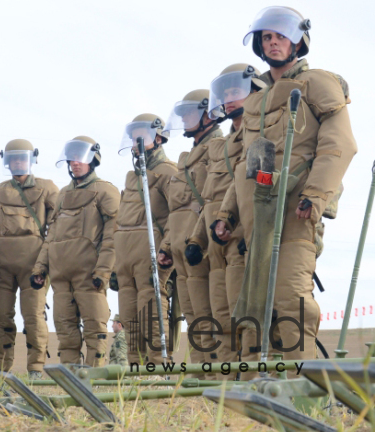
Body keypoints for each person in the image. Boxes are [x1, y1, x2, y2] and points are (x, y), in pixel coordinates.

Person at [214, 7, 356, 373]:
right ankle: (258, 391)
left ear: (297, 40)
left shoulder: (318, 82)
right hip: (255, 220)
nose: (272, 42)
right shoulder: (256, 101)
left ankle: (304, 391)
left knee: (291, 303)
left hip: (295, 213)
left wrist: (316, 195)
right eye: (266, 38)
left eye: (279, 36)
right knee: (254, 310)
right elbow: (246, 167)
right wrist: (227, 215)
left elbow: (339, 145)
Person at [185, 65, 266, 380]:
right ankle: (224, 389)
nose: (230, 99)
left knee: (245, 314)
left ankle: (249, 383)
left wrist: (255, 229)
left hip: (242, 238)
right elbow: (209, 200)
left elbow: (260, 186)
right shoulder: (224, 146)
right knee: (221, 319)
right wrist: (197, 240)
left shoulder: (260, 132)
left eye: (236, 91)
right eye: (226, 93)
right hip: (216, 243)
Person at [31, 136, 120, 367]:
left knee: (95, 330)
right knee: (65, 331)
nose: (74, 164)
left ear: (93, 159)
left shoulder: (105, 191)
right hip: (61, 278)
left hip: (89, 276)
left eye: (79, 159)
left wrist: (103, 272)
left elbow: (112, 237)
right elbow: (52, 236)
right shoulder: (62, 195)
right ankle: (69, 378)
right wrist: (40, 267)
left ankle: (94, 379)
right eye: (71, 160)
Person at [156, 91, 224, 377]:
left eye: (189, 113)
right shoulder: (186, 158)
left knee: (211, 313)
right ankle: (200, 375)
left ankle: (218, 376)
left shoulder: (219, 147)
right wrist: (167, 245)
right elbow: (177, 209)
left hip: (202, 244)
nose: (184, 119)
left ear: (209, 113)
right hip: (181, 249)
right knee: (194, 316)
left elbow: (214, 198)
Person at [0, 139, 58, 379]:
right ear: (7, 161)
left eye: (21, 158)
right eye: (13, 158)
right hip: (1, 264)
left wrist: (47, 261)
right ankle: (1, 367)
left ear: (31, 159)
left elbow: (59, 225)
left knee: (33, 316)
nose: (17, 162)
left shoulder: (47, 188)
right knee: (1, 316)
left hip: (33, 263)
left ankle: (35, 367)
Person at [113, 113, 177, 365]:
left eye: (141, 135)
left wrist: (168, 247)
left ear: (159, 137)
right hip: (127, 257)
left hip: (153, 254)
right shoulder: (132, 176)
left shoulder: (167, 171)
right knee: (129, 316)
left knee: (151, 310)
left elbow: (179, 212)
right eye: (133, 137)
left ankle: (159, 365)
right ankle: (135, 370)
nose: (135, 141)